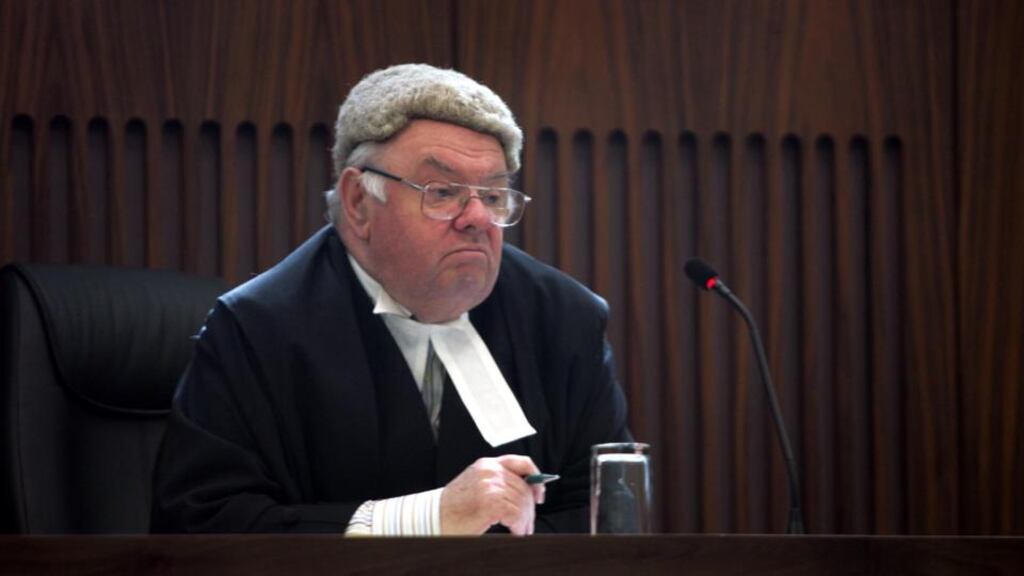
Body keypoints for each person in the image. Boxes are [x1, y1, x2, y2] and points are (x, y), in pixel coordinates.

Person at [151, 63, 630, 535]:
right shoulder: (256, 329)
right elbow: (201, 524)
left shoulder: (564, 320)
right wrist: (425, 520)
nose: (478, 218)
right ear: (359, 202)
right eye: (443, 192)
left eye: (494, 194)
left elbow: (607, 515)